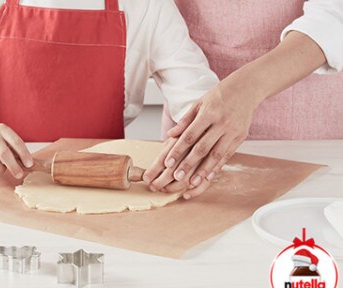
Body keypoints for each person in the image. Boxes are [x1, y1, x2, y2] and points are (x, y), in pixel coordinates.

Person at [0, 0, 218, 179]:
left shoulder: (146, 5)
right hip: (0, 181)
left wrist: (193, 151)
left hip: (102, 185)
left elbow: (199, 104)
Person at [144, 0, 343, 199]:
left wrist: (247, 87)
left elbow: (335, 14)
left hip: (307, 124)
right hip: (191, 95)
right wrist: (198, 118)